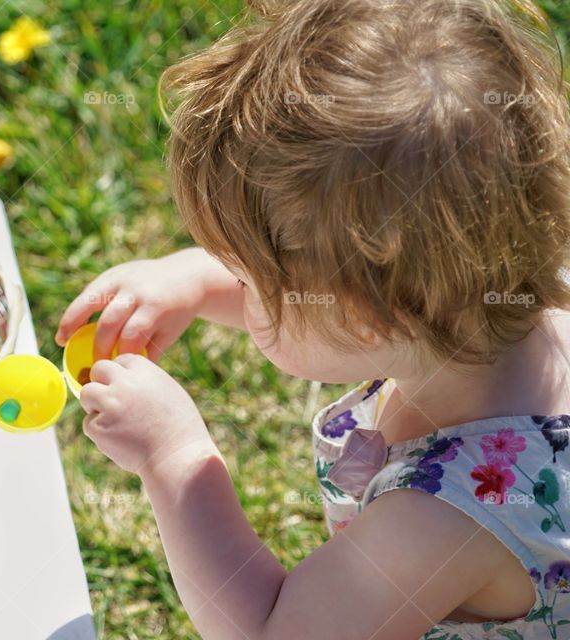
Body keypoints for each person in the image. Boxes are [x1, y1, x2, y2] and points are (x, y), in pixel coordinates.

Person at [55, 1, 570, 638]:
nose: (228, 285)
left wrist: (176, 459)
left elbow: (275, 631)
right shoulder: (493, 296)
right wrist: (190, 279)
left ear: (364, 318)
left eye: (243, 279)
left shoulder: (441, 519)